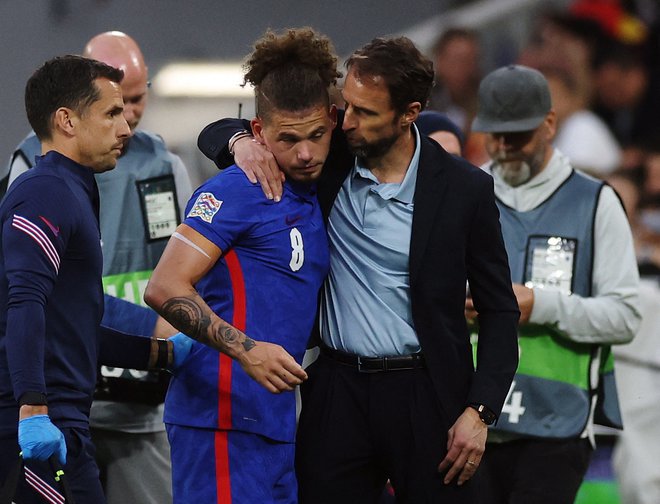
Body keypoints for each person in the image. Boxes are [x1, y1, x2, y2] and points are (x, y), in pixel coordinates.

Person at [197, 35, 519, 503]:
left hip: (428, 394)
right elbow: (221, 129)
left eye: (365, 113)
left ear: (409, 113)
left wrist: (481, 411)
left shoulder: (464, 189)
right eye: (346, 105)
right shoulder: (327, 160)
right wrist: (241, 141)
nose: (346, 122)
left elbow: (499, 310)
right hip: (336, 390)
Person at [143, 27, 338, 503]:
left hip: (274, 421)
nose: (306, 152)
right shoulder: (239, 189)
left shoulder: (318, 188)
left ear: (334, 121)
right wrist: (248, 350)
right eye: (288, 139)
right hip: (217, 418)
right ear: (257, 134)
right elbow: (164, 287)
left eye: (316, 135)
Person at [4, 31, 193, 504]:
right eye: (111, 113)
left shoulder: (73, 189)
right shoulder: (42, 190)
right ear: (66, 121)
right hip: (42, 422)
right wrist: (32, 412)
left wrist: (164, 355)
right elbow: (24, 303)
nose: (126, 127)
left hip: (66, 416)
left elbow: (75, 318)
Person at [468, 64, 641, 504]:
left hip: (557, 425)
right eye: (495, 135)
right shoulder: (466, 193)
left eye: (517, 136)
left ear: (549, 124)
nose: (504, 148)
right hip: (470, 420)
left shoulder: (596, 202)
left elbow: (624, 317)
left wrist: (538, 304)